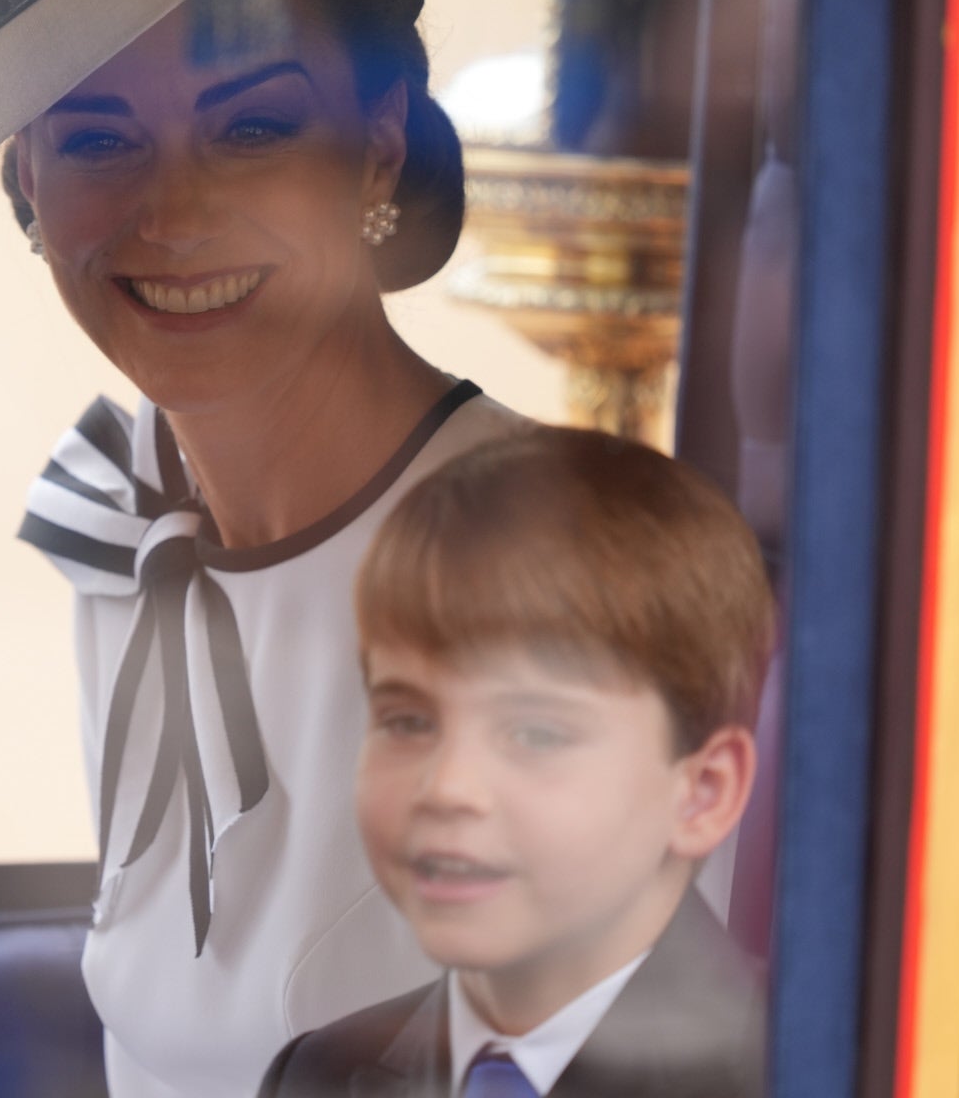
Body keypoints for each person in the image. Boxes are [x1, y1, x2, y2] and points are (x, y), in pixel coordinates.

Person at [0, 0, 530, 1097]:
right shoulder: (123, 523)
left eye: (251, 129)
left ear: (378, 146)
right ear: (26, 181)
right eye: (98, 139)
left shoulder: (547, 568)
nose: (177, 213)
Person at [259, 427, 771, 1098]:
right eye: (407, 721)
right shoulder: (317, 1075)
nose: (446, 787)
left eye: (535, 733)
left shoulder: (819, 1072)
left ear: (702, 793)